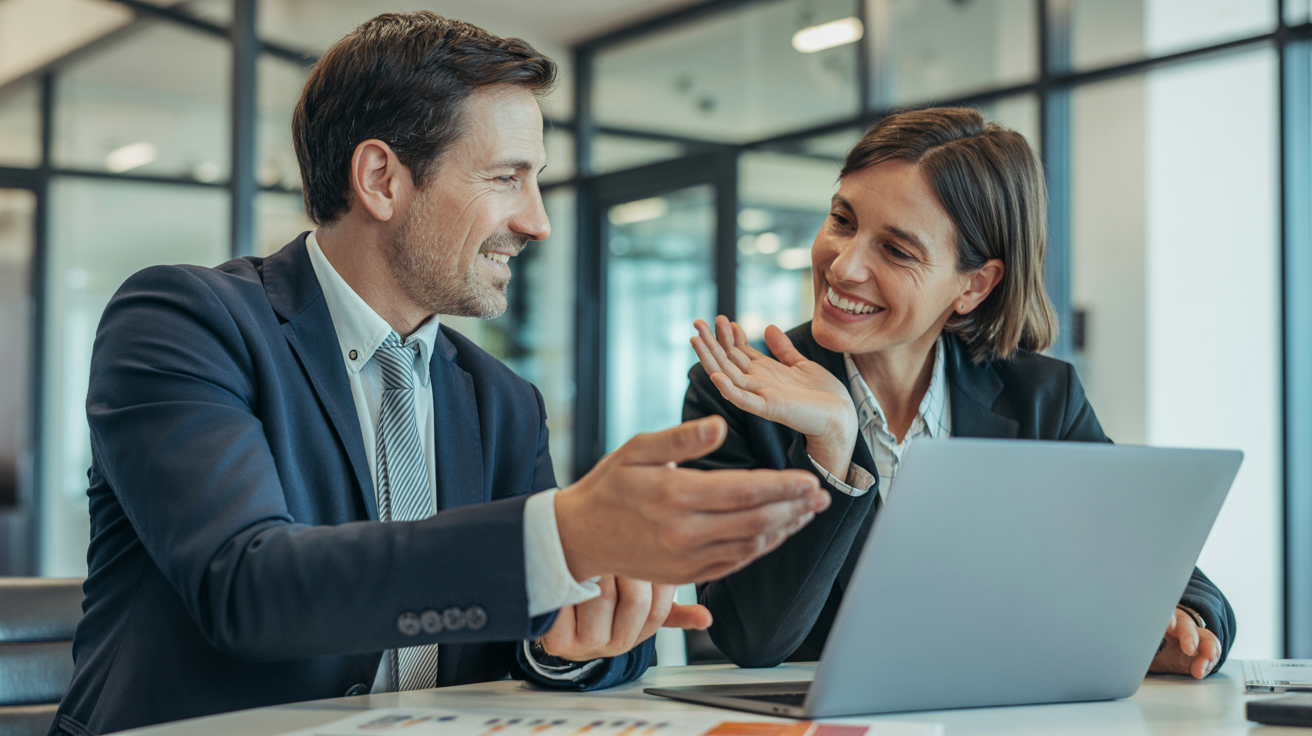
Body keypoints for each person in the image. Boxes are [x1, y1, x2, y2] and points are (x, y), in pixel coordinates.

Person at [51, 13, 831, 736]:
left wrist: (575, 638)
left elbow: (523, 626)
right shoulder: (186, 320)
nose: (537, 220)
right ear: (383, 179)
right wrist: (559, 537)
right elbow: (248, 589)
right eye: (506, 178)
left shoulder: (503, 403)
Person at [683, 107, 1234, 680]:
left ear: (974, 285)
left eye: (896, 250)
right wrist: (832, 447)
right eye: (843, 221)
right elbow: (751, 639)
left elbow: (1165, 566)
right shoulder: (737, 391)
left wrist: (1182, 620)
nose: (843, 267)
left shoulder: (1040, 398)